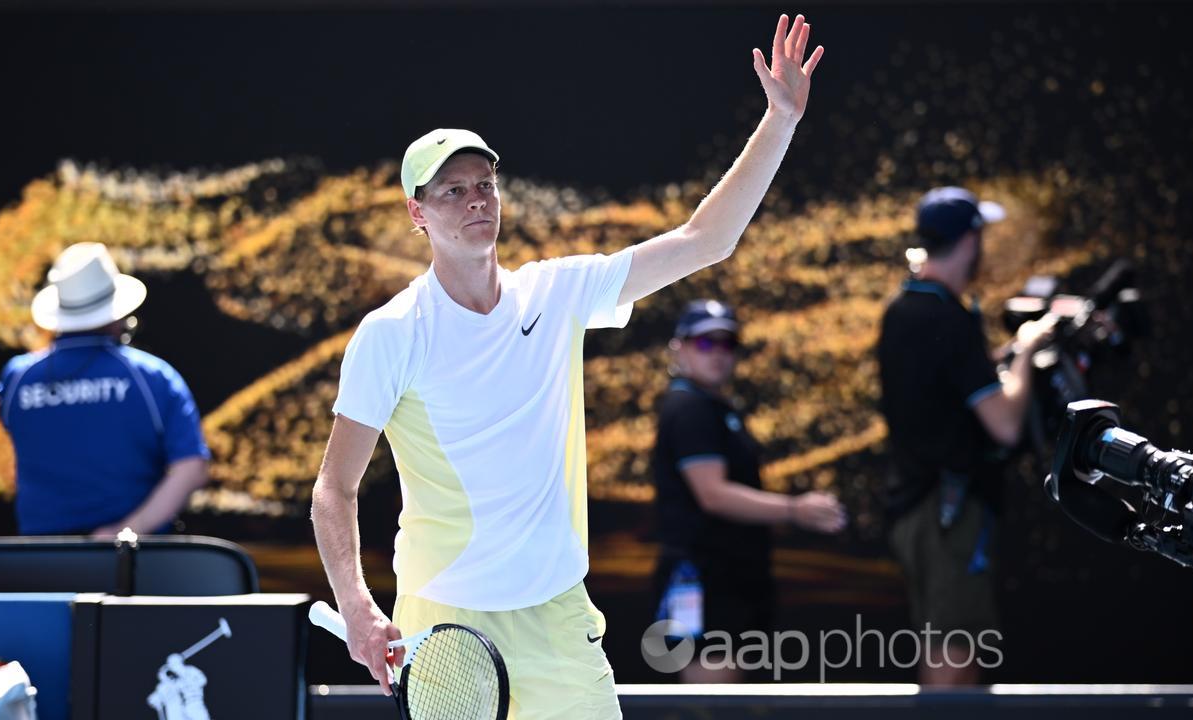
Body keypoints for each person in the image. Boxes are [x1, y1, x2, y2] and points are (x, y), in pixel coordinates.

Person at [311, 13, 825, 717]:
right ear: (417, 213)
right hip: (446, 624)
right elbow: (334, 489)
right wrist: (360, 607)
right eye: (451, 191)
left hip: (558, 620)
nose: (474, 200)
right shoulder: (392, 334)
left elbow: (707, 240)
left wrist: (781, 121)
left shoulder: (555, 292)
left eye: (483, 184)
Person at [876, 187, 1056, 686]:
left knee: (947, 643)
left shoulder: (903, 309)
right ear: (969, 240)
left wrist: (996, 359)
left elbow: (941, 389)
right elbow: (1004, 422)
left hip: (920, 505)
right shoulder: (947, 318)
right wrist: (1025, 352)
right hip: (946, 514)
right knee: (954, 651)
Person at [651, 299, 846, 683]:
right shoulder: (689, 407)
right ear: (681, 348)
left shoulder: (714, 406)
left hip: (729, 576)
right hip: (705, 577)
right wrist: (794, 509)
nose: (719, 354)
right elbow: (714, 494)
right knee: (711, 702)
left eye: (728, 344)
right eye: (706, 343)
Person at [0, 242, 210, 537]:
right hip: (137, 568)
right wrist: (125, 532)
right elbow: (191, 469)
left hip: (42, 565)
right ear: (117, 312)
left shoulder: (16, 379)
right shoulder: (153, 377)